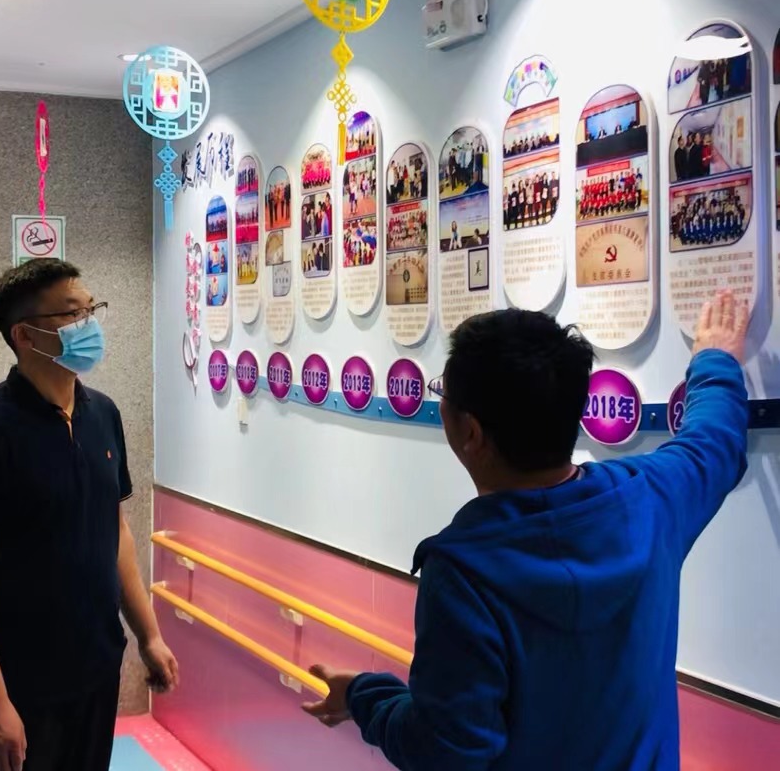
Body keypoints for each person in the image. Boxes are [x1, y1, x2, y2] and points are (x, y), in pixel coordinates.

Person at [303, 290, 750, 771]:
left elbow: (448, 750)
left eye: (443, 393)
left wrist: (367, 699)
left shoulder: (464, 575)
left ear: (470, 432)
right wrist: (715, 359)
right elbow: (714, 442)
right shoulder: (651, 499)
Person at [0, 260, 179, 771]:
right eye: (72, 314)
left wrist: (149, 634)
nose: (89, 323)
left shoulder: (103, 415)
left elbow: (115, 532)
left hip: (95, 668)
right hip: (19, 681)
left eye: (92, 308)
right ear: (24, 336)